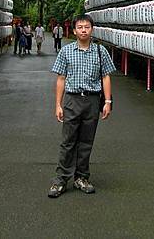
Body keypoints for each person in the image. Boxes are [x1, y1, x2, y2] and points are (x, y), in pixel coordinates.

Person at [48, 14, 116, 198]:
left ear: (92, 29)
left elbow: (106, 77)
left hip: (92, 101)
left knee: (86, 141)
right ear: (74, 30)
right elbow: (61, 79)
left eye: (87, 27)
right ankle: (60, 180)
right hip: (72, 100)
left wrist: (107, 102)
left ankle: (82, 177)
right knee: (68, 141)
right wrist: (58, 105)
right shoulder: (66, 51)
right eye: (80, 27)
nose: (84, 30)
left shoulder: (101, 52)